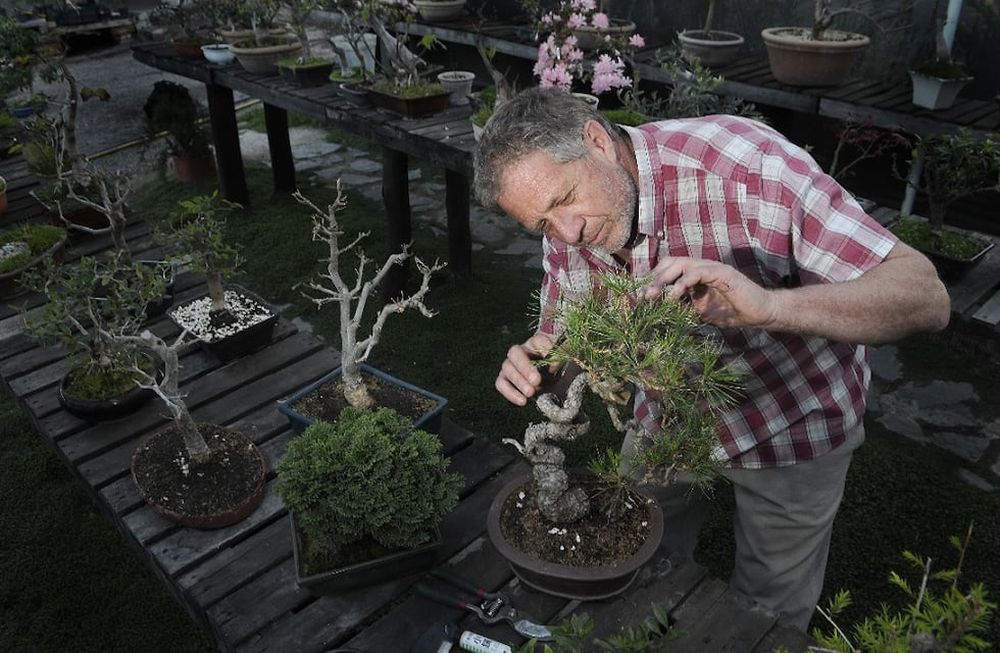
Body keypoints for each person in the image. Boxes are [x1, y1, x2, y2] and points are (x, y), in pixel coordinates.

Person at [473, 88, 951, 631]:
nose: (568, 234)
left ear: (597, 141)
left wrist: (770, 306)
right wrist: (545, 366)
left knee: (765, 615)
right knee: (632, 572)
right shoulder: (566, 219)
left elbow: (925, 298)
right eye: (541, 226)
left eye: (563, 201)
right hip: (666, 419)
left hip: (793, 418)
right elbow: (568, 342)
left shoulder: (750, 169)